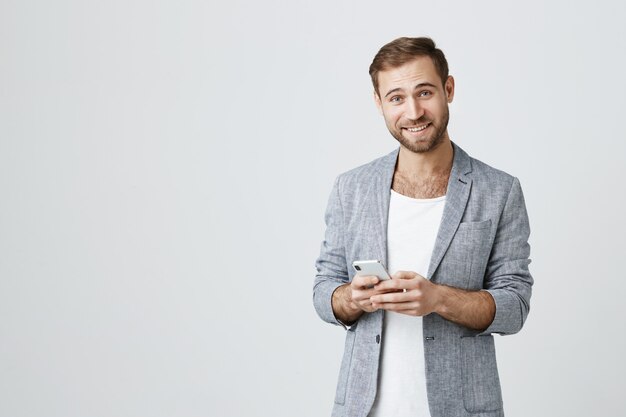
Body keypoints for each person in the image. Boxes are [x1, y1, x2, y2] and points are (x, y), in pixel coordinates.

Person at [313, 37, 533, 417]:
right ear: (379, 103)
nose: (413, 111)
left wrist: (438, 299)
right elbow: (323, 290)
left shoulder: (499, 190)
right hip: (363, 408)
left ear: (448, 89)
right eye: (396, 97)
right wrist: (350, 298)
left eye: (424, 92)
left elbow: (514, 306)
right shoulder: (350, 188)